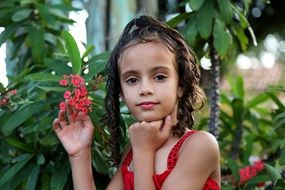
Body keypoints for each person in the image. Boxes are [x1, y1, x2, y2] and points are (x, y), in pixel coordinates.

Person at [53, 15, 221, 190]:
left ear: (181, 85)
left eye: (160, 77)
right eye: (132, 80)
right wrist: (79, 154)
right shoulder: (136, 146)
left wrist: (144, 152)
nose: (145, 89)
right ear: (122, 93)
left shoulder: (198, 146)